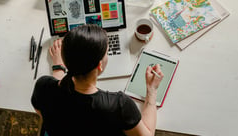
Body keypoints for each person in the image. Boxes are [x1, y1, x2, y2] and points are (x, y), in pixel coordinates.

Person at [31, 24, 164, 136]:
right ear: (99, 65)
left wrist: (58, 68)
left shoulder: (43, 86)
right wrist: (152, 90)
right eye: (107, 52)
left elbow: (43, 111)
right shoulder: (119, 105)